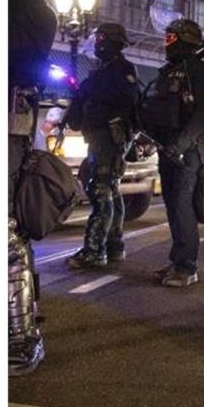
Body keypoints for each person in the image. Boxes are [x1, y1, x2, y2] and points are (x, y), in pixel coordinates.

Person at [139, 19, 204, 287]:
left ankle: (187, 266)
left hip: (189, 151)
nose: (167, 44)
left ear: (186, 39)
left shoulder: (201, 72)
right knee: (173, 205)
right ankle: (178, 261)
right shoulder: (168, 72)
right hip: (167, 148)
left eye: (172, 39)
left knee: (183, 205)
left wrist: (182, 144)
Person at [8, 0, 58, 376]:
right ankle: (19, 337)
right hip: (15, 124)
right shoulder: (39, 10)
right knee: (8, 227)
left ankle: (18, 338)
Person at [64, 23, 140, 269]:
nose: (96, 43)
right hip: (101, 138)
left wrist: (88, 104)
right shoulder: (106, 71)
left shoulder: (120, 71)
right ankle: (113, 246)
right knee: (111, 190)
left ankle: (95, 250)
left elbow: (123, 102)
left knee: (101, 192)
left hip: (108, 140)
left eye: (100, 38)